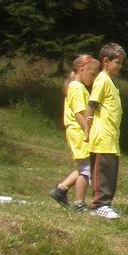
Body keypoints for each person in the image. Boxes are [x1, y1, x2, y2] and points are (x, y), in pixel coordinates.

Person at [50, 53, 99, 210]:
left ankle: (61, 189)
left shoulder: (77, 87)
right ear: (82, 69)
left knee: (84, 167)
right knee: (86, 170)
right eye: (92, 74)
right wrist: (88, 131)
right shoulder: (77, 88)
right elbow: (79, 113)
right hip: (79, 132)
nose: (93, 78)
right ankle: (79, 203)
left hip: (78, 131)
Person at [87, 42, 126, 220]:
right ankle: (99, 204)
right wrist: (87, 129)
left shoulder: (110, 81)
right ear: (106, 61)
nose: (120, 67)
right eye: (117, 62)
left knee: (111, 172)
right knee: (102, 171)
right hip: (102, 135)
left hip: (111, 136)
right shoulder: (102, 79)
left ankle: (106, 203)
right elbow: (92, 104)